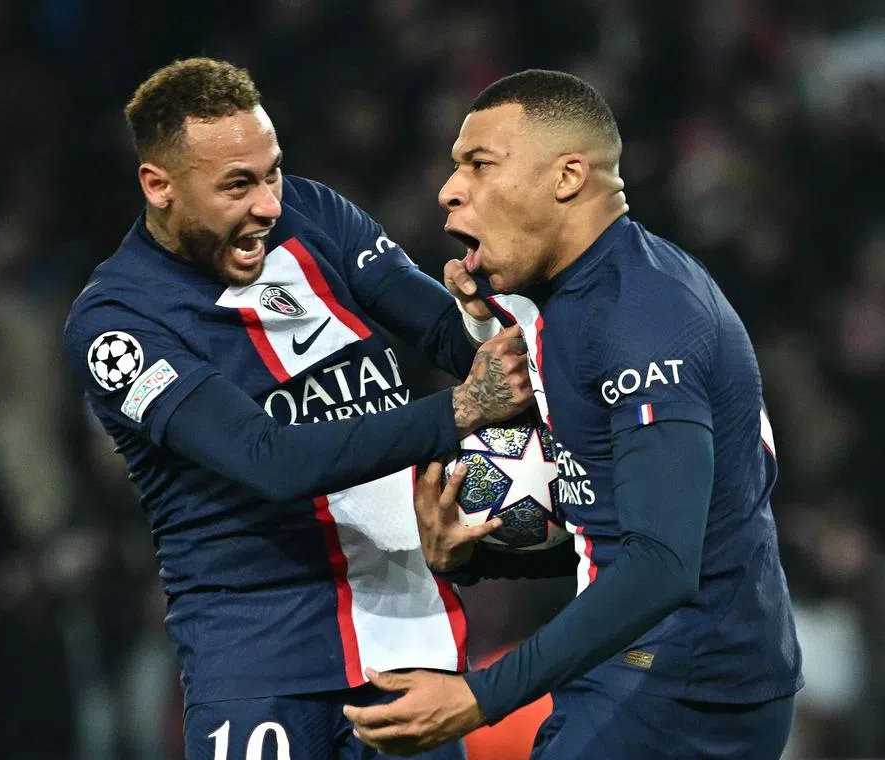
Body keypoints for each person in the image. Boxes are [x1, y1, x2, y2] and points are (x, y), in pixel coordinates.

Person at [62, 57, 533, 760]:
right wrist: (461, 410)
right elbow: (271, 460)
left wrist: (481, 326)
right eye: (237, 186)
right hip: (264, 666)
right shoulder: (117, 324)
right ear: (158, 186)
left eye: (272, 171)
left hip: (409, 643)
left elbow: (442, 331)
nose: (268, 205)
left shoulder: (313, 214)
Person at [344, 69, 803, 759]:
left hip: (685, 686)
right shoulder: (573, 300)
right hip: (653, 665)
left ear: (567, 178)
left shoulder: (643, 317)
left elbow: (661, 565)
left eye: (479, 164)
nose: (449, 189)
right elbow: (619, 524)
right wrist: (476, 557)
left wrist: (480, 697)